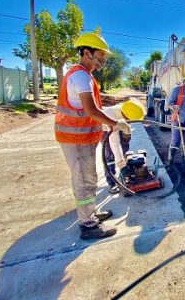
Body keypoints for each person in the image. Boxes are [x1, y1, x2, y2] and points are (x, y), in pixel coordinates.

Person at [55, 32, 131, 240]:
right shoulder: (80, 76)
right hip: (76, 139)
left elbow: (91, 111)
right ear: (86, 53)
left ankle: (91, 213)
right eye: (100, 56)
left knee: (88, 179)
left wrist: (105, 126)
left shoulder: (83, 76)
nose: (102, 61)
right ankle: (88, 225)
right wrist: (116, 123)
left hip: (82, 138)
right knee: (84, 181)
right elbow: (91, 111)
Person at [102, 98, 145, 194]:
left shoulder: (126, 110)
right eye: (130, 120)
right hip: (106, 130)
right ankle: (112, 182)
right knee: (110, 156)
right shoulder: (111, 116)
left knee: (125, 150)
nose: (132, 122)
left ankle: (126, 173)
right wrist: (121, 164)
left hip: (119, 125)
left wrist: (127, 134)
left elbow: (127, 124)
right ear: (126, 116)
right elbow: (115, 143)